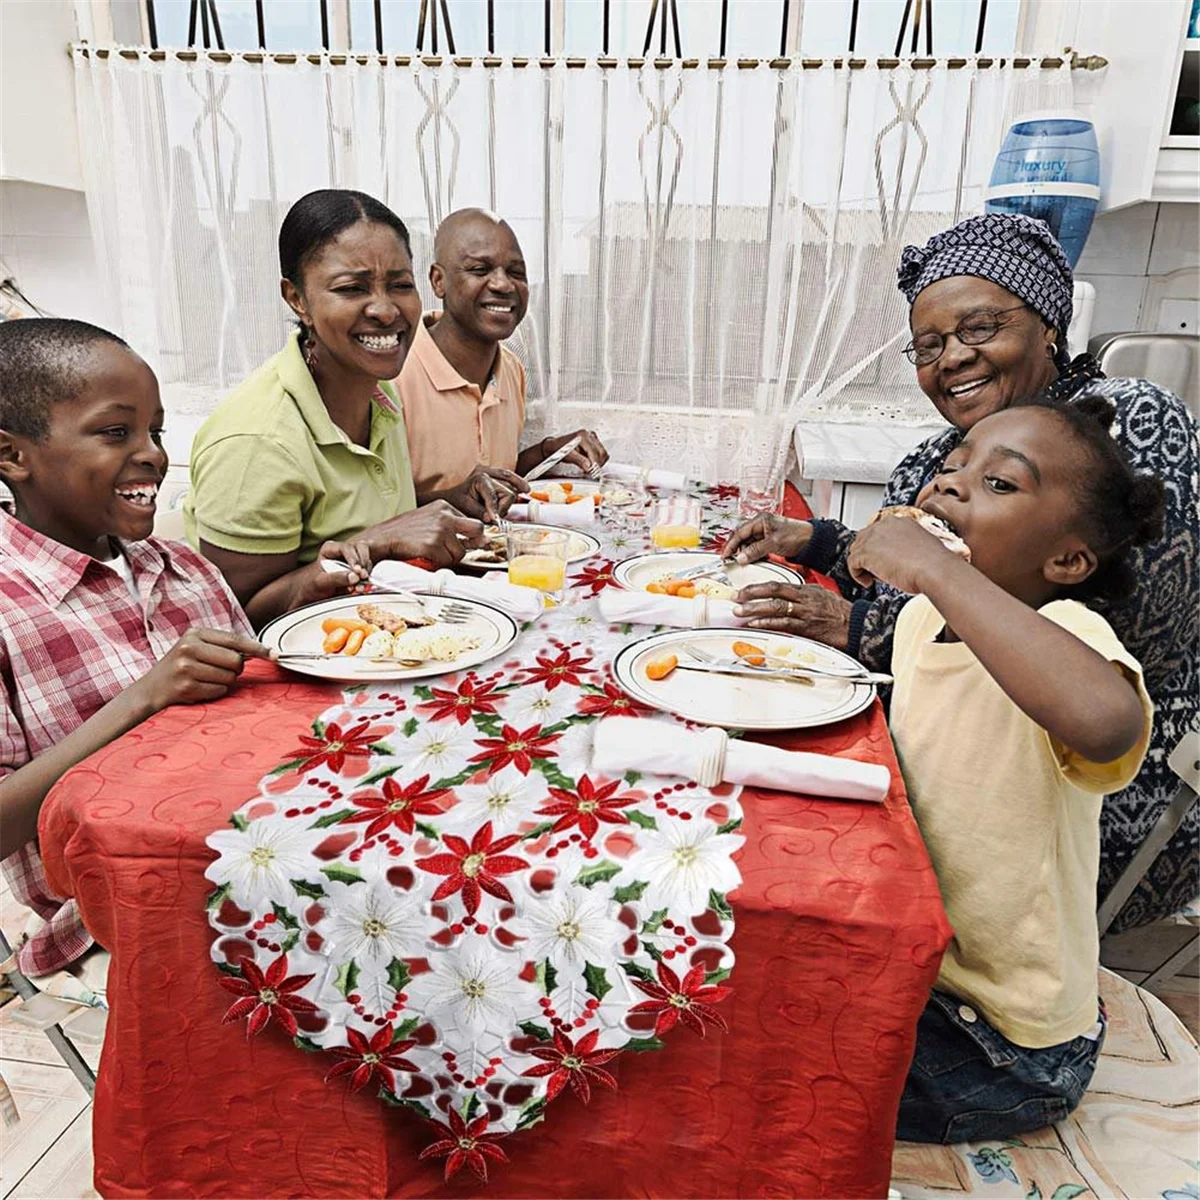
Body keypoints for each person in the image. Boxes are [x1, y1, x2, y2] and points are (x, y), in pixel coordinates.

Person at [724, 213, 1200, 930]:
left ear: (1048, 326)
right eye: (929, 345)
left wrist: (862, 628)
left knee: (804, 870)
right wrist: (822, 543)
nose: (951, 358)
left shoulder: (1124, 422)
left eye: (978, 328)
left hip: (1087, 811)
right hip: (949, 748)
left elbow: (1128, 635)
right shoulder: (940, 457)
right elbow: (903, 573)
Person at [845, 392, 1159, 1143]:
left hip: (1006, 1041)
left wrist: (941, 573)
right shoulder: (925, 618)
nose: (952, 482)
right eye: (954, 467)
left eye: (1000, 484)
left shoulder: (1067, 632)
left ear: (1067, 559)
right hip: (923, 969)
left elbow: (1107, 723)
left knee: (788, 1080)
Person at [0, 318, 270, 978]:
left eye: (156, 431)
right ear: (12, 456)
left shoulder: (183, 567)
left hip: (257, 842)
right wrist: (144, 699)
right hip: (124, 912)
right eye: (116, 432)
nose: (151, 453)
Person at [185, 190, 492, 628]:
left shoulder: (379, 390)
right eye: (352, 288)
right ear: (297, 299)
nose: (386, 310)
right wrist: (379, 542)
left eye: (401, 285)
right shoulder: (257, 440)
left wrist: (446, 499)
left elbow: (361, 515)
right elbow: (234, 617)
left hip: (392, 634)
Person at [397, 207, 609, 499]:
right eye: (480, 270)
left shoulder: (511, 369)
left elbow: (496, 477)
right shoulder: (394, 373)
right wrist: (455, 496)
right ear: (438, 281)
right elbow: (373, 513)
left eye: (516, 272)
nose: (503, 284)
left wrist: (549, 450)